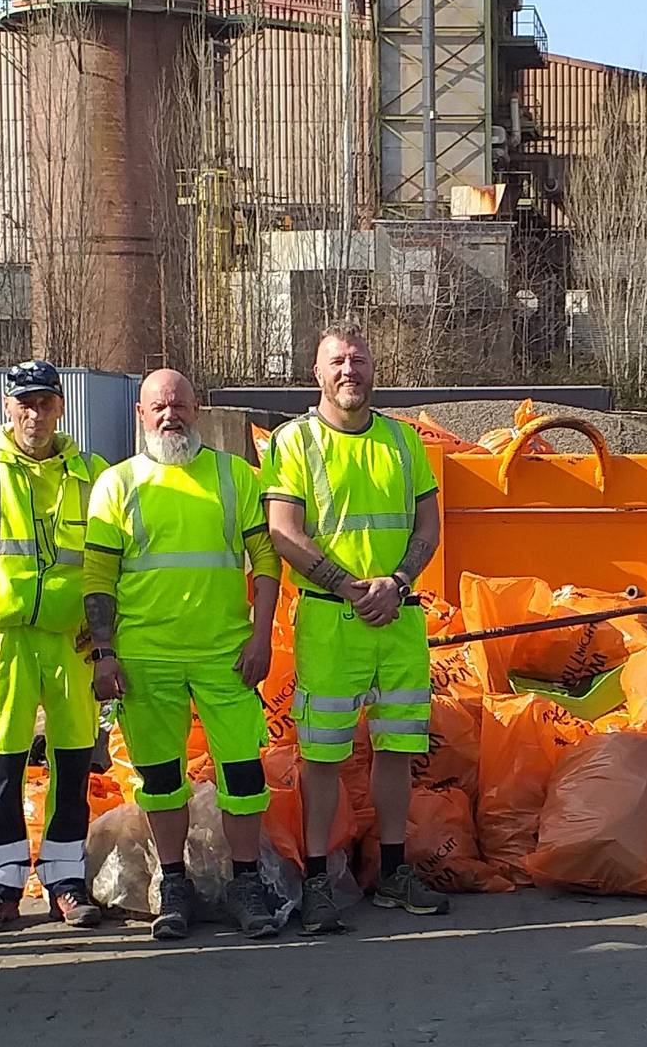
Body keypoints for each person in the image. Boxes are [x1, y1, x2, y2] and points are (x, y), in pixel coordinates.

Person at [87, 368, 292, 940]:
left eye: (178, 405)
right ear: (140, 415)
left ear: (196, 410)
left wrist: (260, 636)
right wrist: (104, 652)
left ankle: (246, 882)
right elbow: (99, 577)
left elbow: (267, 564)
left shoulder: (235, 477)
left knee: (244, 775)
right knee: (159, 779)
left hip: (225, 655)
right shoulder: (118, 484)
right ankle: (172, 881)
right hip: (145, 658)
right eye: (158, 407)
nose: (169, 415)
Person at [262, 321, 450, 934]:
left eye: (359, 360)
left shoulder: (402, 441)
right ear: (317, 373)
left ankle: (393, 873)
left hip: (398, 619)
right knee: (321, 755)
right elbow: (284, 532)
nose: (350, 371)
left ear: (375, 370)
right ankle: (318, 880)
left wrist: (395, 584)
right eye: (337, 361)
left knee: (398, 748)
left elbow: (429, 526)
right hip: (331, 621)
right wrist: (349, 587)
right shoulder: (294, 442)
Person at [0, 360, 105, 933]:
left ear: (60, 407)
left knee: (72, 763)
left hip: (73, 639)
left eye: (45, 402)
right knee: (1, 764)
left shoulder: (92, 471)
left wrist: (106, 622)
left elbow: (112, 553)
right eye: (24, 402)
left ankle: (66, 880)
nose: (34, 413)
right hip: (2, 639)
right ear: (5, 405)